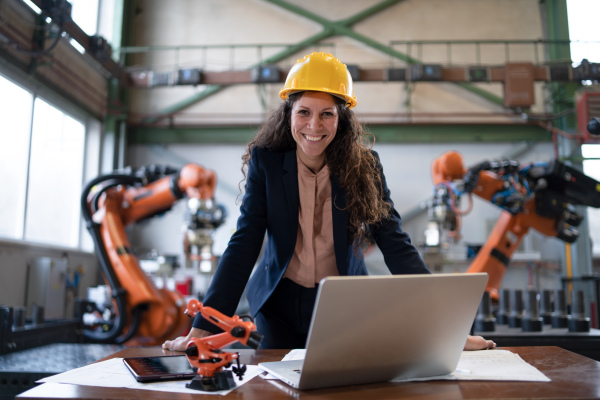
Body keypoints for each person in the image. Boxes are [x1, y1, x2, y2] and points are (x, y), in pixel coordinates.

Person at [163, 52, 495, 351]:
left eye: (327, 114)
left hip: (343, 303)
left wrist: (447, 327)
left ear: (342, 119)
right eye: (304, 112)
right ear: (289, 113)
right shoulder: (266, 163)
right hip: (277, 303)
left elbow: (393, 240)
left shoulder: (364, 166)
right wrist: (203, 328)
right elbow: (244, 242)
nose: (314, 126)